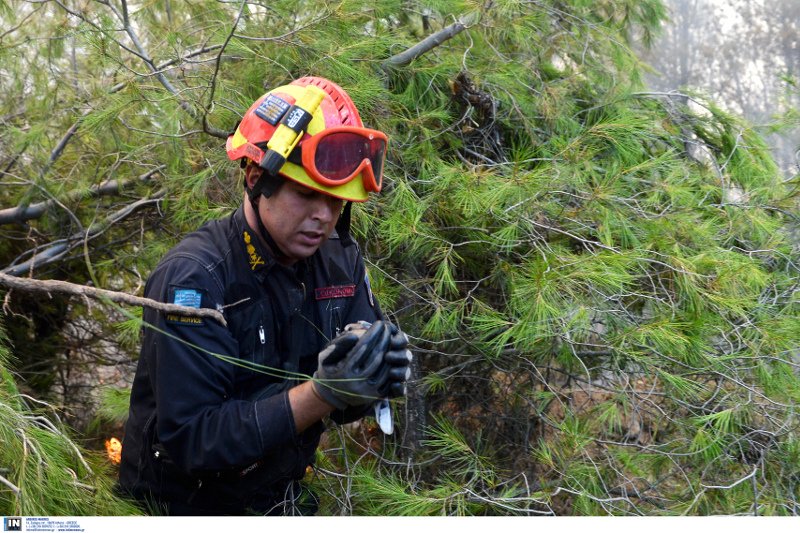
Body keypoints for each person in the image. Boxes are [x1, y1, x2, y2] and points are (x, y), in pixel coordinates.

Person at [118, 76, 412, 515]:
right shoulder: (196, 279)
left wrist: (373, 373)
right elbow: (196, 440)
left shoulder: (338, 261)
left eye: (336, 202)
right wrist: (325, 392)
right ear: (257, 177)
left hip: (279, 496)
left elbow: (346, 405)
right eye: (308, 195)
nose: (323, 217)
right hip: (180, 507)